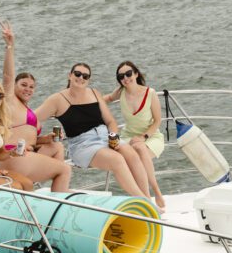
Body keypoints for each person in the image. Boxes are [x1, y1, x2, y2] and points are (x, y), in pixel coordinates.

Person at [35, 63, 150, 198]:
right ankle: (145, 202)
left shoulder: (94, 93)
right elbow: (32, 118)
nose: (81, 78)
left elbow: (110, 121)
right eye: (77, 74)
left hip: (105, 137)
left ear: (89, 79)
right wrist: (36, 139)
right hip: (82, 145)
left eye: (85, 76)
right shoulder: (57, 100)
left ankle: (147, 197)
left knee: (131, 154)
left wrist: (113, 137)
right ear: (70, 76)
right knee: (117, 160)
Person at [0, 21, 71, 192]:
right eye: (24, 84)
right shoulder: (9, 101)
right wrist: (10, 46)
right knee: (65, 169)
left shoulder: (27, 110)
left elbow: (27, 136)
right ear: (15, 86)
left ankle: (57, 190)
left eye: (31, 87)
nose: (28, 89)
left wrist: (44, 139)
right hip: (14, 157)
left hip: (28, 153)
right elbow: (8, 76)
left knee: (57, 146)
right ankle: (59, 198)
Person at [104, 61, 166, 210]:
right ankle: (147, 199)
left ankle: (155, 191)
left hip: (150, 136)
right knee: (133, 150)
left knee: (139, 147)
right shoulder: (120, 92)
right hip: (128, 136)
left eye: (128, 73)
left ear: (136, 74)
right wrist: (87, 100)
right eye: (121, 76)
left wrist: (144, 137)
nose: (126, 78)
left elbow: (158, 121)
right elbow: (106, 99)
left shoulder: (149, 93)